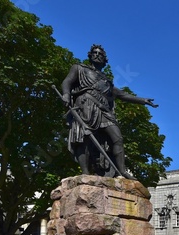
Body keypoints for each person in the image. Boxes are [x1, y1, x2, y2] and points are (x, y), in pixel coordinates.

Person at [61, 44, 157, 180]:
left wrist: (142, 100)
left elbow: (122, 95)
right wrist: (66, 94)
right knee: (85, 139)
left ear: (105, 60)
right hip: (86, 105)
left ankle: (122, 171)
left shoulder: (107, 81)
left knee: (117, 138)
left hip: (104, 111)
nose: (97, 55)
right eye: (94, 53)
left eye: (100, 54)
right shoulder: (79, 68)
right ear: (90, 55)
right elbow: (67, 81)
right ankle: (85, 173)